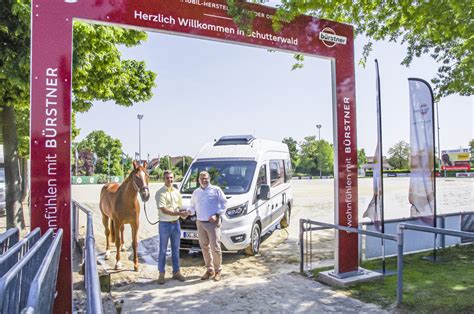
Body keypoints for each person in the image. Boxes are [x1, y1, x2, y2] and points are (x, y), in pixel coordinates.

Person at [187, 171, 227, 281]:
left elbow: (224, 203)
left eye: (206, 178)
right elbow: (192, 206)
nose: (204, 180)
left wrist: (217, 215)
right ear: (199, 180)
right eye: (201, 178)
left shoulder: (216, 190)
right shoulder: (196, 192)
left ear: (209, 178)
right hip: (200, 223)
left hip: (212, 223)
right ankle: (210, 270)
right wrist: (187, 212)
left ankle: (218, 270)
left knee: (215, 247)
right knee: (204, 247)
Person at [155, 170, 187, 284]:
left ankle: (176, 272)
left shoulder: (177, 192)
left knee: (176, 250)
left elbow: (179, 208)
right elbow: (164, 210)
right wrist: (179, 214)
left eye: (171, 178)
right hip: (164, 224)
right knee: (163, 250)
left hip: (176, 224)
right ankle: (161, 274)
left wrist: (184, 213)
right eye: (168, 178)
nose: (170, 180)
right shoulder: (160, 193)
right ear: (164, 179)